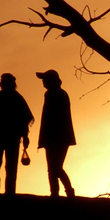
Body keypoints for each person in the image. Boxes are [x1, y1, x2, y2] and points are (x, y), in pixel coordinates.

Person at [0, 73, 34, 195]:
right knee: (4, 166)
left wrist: (25, 135)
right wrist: (25, 136)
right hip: (9, 136)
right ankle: (5, 191)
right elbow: (25, 119)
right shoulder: (17, 99)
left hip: (0, 136)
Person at [36, 69, 76, 197]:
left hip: (57, 137)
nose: (43, 82)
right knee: (53, 168)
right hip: (58, 137)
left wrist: (45, 138)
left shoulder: (54, 94)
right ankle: (56, 193)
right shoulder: (57, 93)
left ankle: (64, 192)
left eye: (45, 80)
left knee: (55, 168)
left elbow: (51, 118)